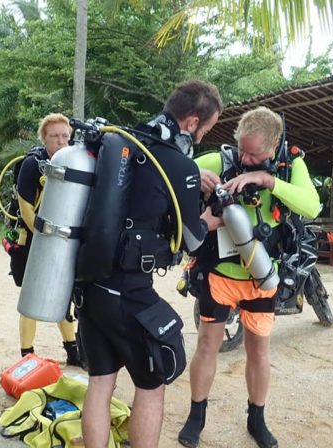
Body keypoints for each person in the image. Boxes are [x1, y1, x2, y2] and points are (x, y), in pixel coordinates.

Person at [77, 80, 223, 448]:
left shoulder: (124, 141)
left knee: (100, 382)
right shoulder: (180, 164)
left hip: (90, 284)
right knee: (152, 383)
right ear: (192, 122)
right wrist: (211, 218)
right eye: (205, 130)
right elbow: (191, 240)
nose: (203, 137)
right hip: (129, 289)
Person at [178, 106, 321, 448]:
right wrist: (197, 176)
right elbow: (175, 173)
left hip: (262, 275)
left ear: (273, 147)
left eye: (254, 153)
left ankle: (257, 419)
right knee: (208, 344)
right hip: (220, 273)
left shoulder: (290, 163)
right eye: (242, 148)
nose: (245, 157)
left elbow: (312, 206)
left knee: (258, 350)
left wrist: (268, 181)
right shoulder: (223, 160)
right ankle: (196, 416)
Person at [13, 112, 85, 368]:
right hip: (35, 239)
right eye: (54, 136)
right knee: (30, 296)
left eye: (65, 136)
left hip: (63, 240)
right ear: (44, 138)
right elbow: (26, 209)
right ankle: (27, 354)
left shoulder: (76, 162)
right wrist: (45, 238)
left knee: (62, 295)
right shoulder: (32, 164)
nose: (61, 141)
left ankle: (72, 351)